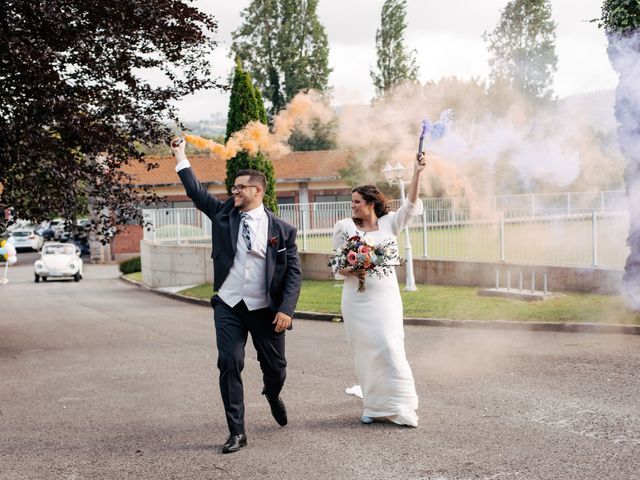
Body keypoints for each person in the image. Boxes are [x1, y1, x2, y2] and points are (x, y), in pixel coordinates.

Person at [171, 138, 302, 454]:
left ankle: (272, 393)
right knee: (230, 361)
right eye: (233, 187)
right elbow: (195, 191)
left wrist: (286, 309)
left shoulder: (282, 230)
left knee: (276, 368)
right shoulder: (222, 215)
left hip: (265, 310)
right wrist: (180, 155)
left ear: (258, 191)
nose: (234, 192)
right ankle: (237, 432)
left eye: (240, 188)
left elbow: (294, 273)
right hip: (229, 304)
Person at [331, 152, 427, 427]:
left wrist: (417, 173)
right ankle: (372, 406)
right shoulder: (344, 227)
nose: (353, 207)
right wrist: (353, 269)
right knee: (365, 351)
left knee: (389, 346)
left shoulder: (390, 223)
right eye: (351, 202)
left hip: (385, 298)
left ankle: (402, 406)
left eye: (357, 202)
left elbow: (410, 204)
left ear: (371, 203)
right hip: (356, 300)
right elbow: (337, 265)